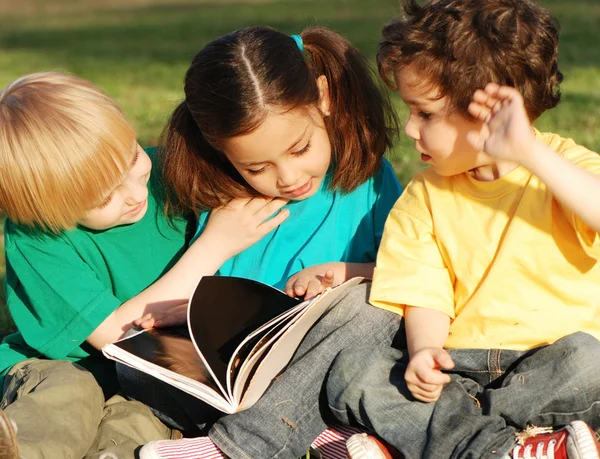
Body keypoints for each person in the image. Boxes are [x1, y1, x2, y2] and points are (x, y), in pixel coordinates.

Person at [323, 0, 600, 458]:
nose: (410, 129)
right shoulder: (424, 195)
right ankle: (512, 448)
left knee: (591, 362)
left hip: (552, 361)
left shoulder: (563, 169)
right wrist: (425, 352)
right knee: (355, 371)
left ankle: (427, 440)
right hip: (460, 369)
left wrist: (529, 153)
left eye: (426, 113)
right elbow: (425, 291)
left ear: (489, 112)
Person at [126, 25, 406, 459]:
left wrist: (347, 277)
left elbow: (414, 274)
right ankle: (324, 437)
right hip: (257, 370)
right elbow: (233, 297)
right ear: (222, 153)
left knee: (366, 312)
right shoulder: (230, 206)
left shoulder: (367, 180)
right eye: (257, 167)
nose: (289, 178)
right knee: (139, 376)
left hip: (351, 358)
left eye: (300, 149)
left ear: (324, 98)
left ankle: (240, 447)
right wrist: (200, 314)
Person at [0, 71, 290, 459]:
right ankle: (21, 449)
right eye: (105, 198)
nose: (136, 193)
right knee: (68, 396)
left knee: (140, 420)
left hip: (154, 376)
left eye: (133, 157)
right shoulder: (36, 237)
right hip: (63, 367)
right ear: (47, 209)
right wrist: (213, 246)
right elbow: (116, 337)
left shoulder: (171, 174)